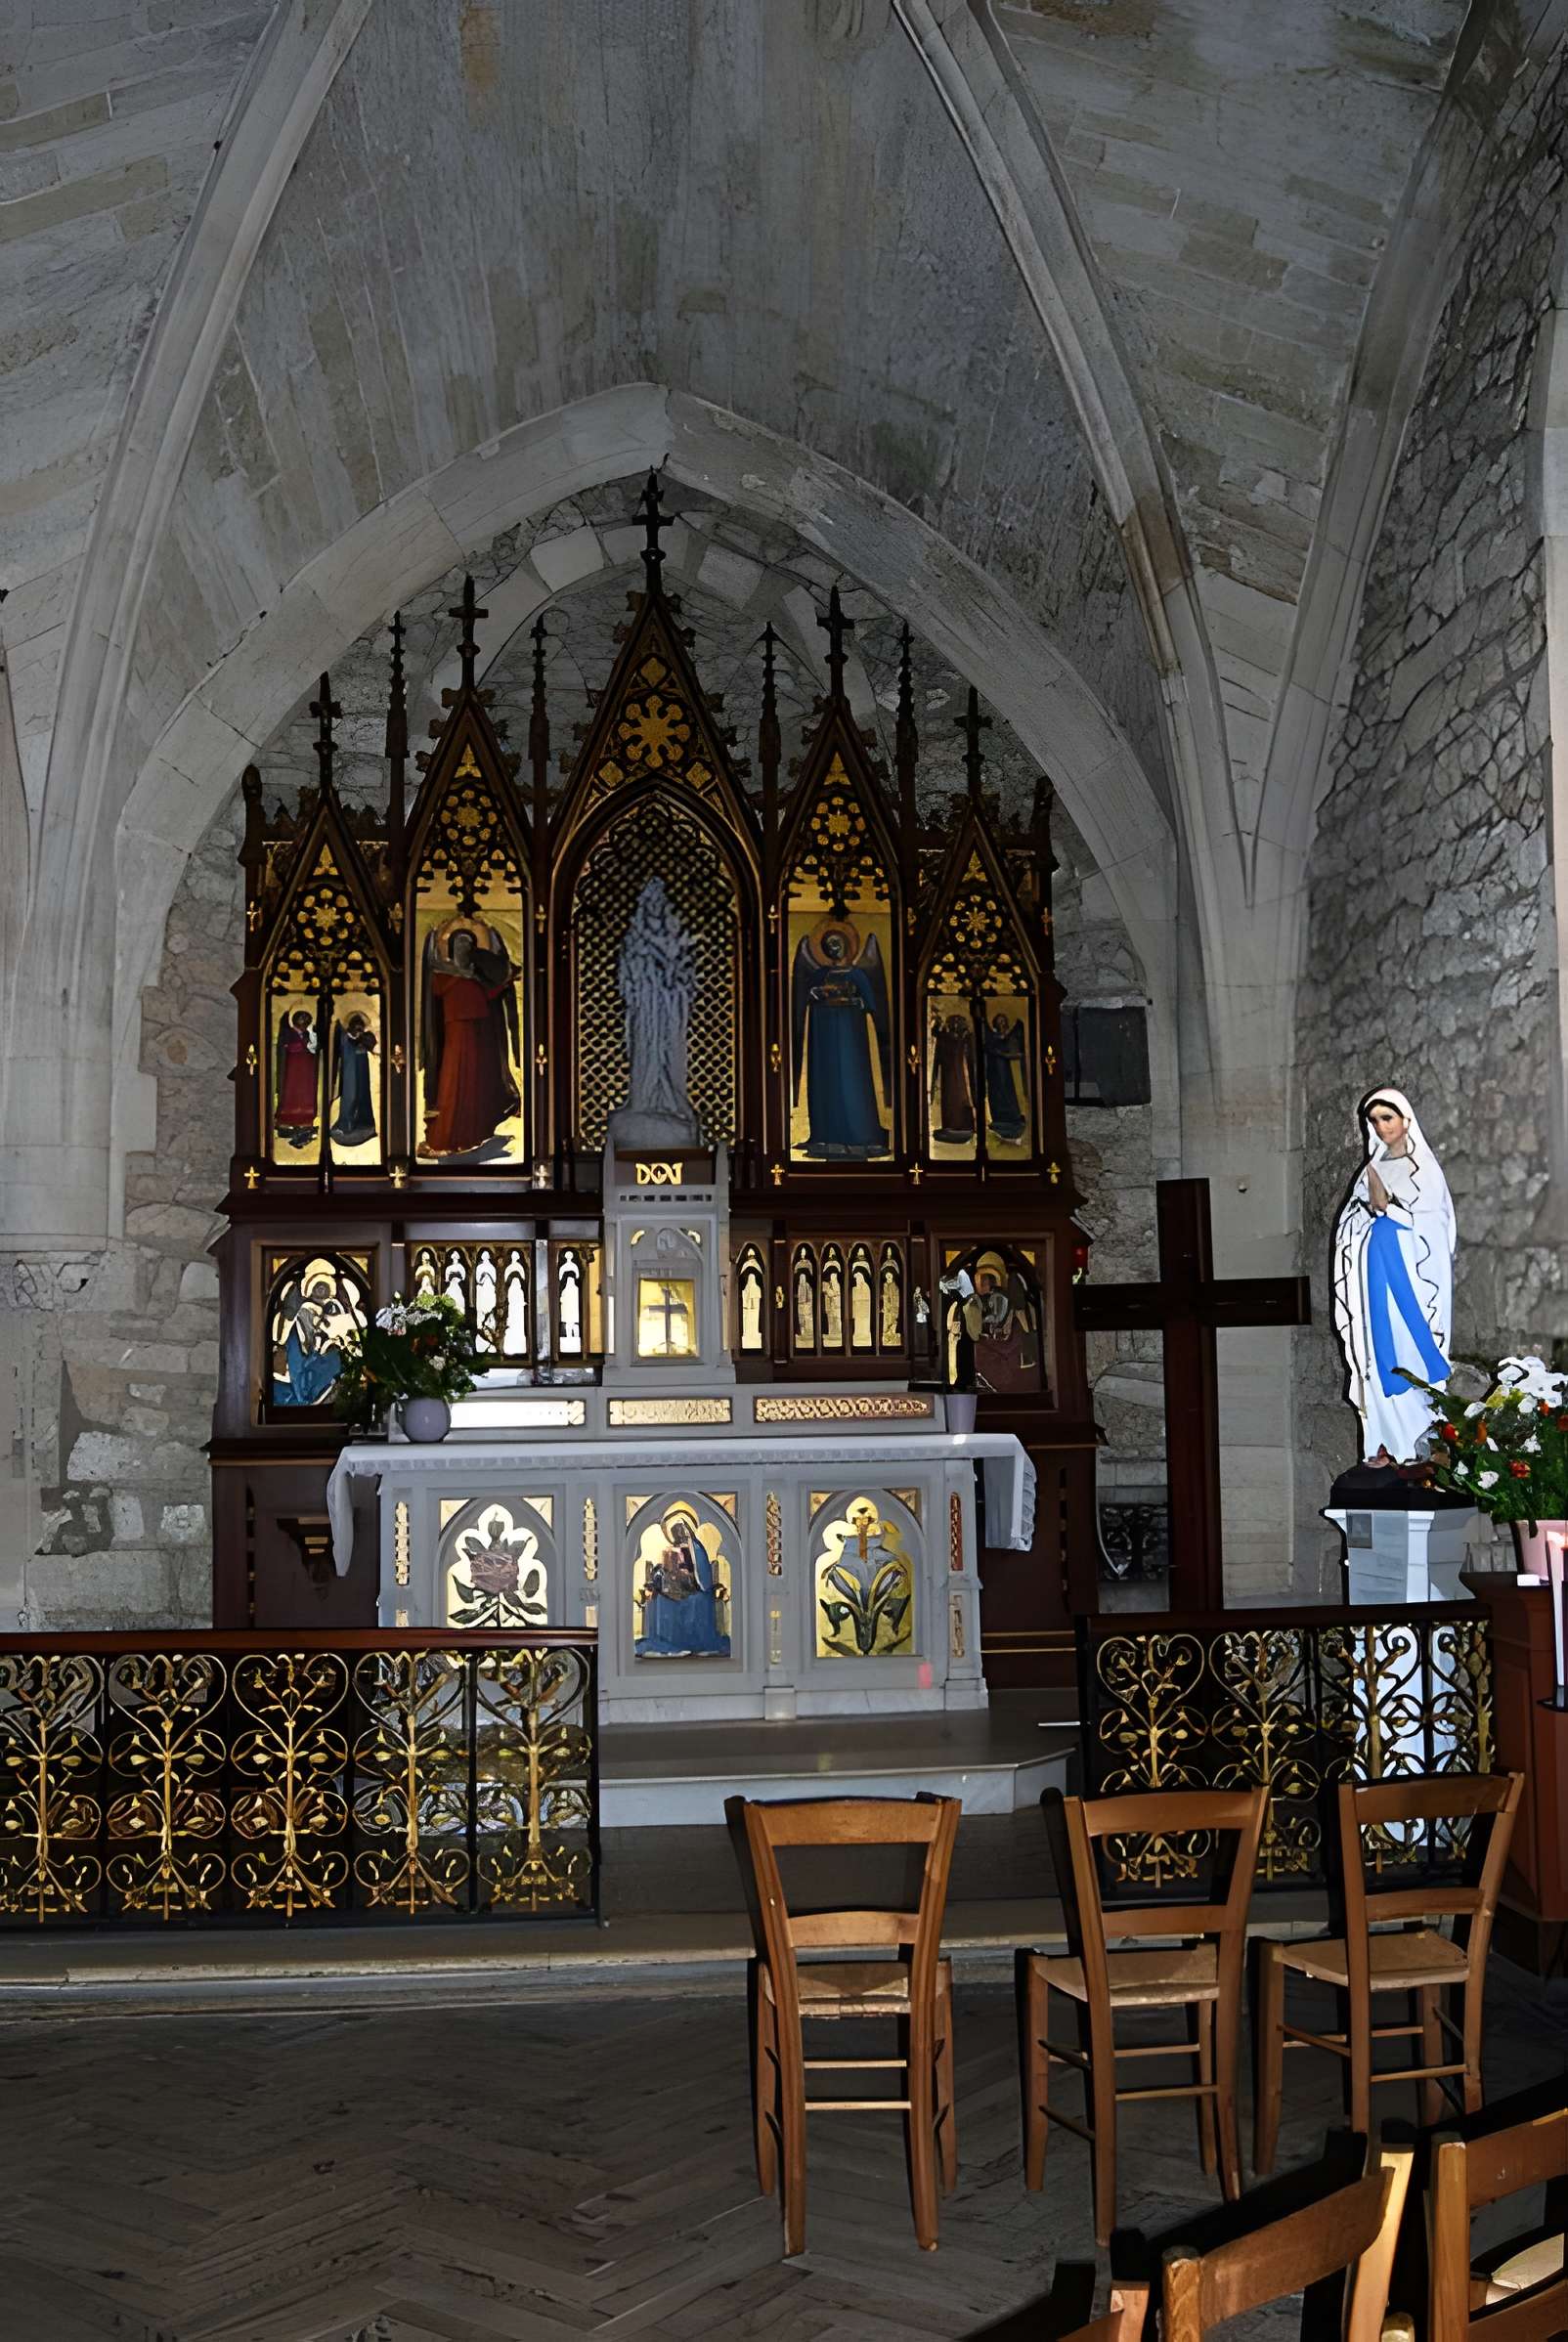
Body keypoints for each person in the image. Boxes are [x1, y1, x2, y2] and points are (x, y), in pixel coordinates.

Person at [1330, 1086, 1456, 1462]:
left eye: (1387, 1118)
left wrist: (1391, 1210)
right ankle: (1385, 1442)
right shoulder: (1372, 1169)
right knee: (1376, 1349)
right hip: (1374, 1276)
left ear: (1405, 1120)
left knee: (1409, 1347)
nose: (1381, 1126)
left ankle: (1420, 1443)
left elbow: (1433, 1227)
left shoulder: (1424, 1171)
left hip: (1411, 1278)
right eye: (1374, 1120)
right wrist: (1370, 1212)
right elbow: (1351, 1220)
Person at [790, 914, 892, 1158]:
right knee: (826, 1083)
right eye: (829, 944)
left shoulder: (857, 974)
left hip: (850, 1035)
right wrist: (818, 994)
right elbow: (806, 999)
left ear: (847, 945)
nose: (834, 948)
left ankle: (862, 1136)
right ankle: (826, 1135)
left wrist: (848, 998)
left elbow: (870, 1003)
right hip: (823, 1034)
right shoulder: (818, 975)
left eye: (837, 943)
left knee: (852, 1081)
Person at [421, 921, 520, 1156]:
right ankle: (449, 1138)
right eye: (460, 948)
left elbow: (490, 993)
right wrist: (465, 976)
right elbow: (437, 990)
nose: (464, 952)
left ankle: (474, 1134)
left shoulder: (476, 976)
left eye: (468, 948)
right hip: (456, 1030)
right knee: (454, 1081)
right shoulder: (445, 975)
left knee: (476, 1081)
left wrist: (505, 979)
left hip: (478, 1029)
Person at [635, 1509, 730, 1658]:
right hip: (671, 1591)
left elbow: (701, 1574)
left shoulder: (695, 1547)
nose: (678, 1533)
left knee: (699, 1600)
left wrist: (687, 1573)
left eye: (681, 1529)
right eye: (675, 1530)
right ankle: (667, 1643)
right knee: (660, 1601)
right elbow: (664, 1571)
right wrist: (663, 1574)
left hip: (694, 1590)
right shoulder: (669, 1549)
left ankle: (696, 1643)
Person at [329, 1012, 377, 1146]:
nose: (358, 1031)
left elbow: (373, 1045)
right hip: (349, 1072)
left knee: (363, 1096)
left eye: (360, 1027)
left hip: (362, 1072)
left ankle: (364, 1123)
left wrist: (365, 1040)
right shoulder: (345, 1038)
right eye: (355, 1027)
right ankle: (346, 1125)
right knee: (349, 1096)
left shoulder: (365, 1038)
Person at [930, 1009, 977, 1145]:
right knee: (950, 1100)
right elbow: (937, 1039)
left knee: (962, 1098)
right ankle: (951, 1125)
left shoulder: (967, 1039)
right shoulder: (945, 1039)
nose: (955, 1026)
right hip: (949, 1077)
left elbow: (972, 1058)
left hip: (963, 1077)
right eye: (953, 1023)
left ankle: (965, 1125)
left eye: (958, 1023)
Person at [274, 1009, 319, 1147]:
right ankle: (287, 1120)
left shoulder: (308, 1033)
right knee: (291, 1093)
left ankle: (304, 1121)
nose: (305, 1022)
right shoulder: (288, 1033)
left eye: (307, 1020)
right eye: (303, 1019)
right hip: (292, 1069)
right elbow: (284, 1047)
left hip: (306, 1070)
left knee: (305, 1094)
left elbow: (314, 1048)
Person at [982, 1010, 1028, 1145]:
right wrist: (1005, 1055)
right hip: (995, 1071)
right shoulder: (992, 1037)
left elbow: (1015, 1051)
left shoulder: (1009, 1037)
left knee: (1009, 1091)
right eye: (999, 1022)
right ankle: (1000, 1117)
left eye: (1003, 1021)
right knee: (999, 1092)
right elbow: (991, 1050)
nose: (1002, 1024)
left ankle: (1013, 1116)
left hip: (1007, 1071)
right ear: (995, 1024)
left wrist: (1013, 1055)